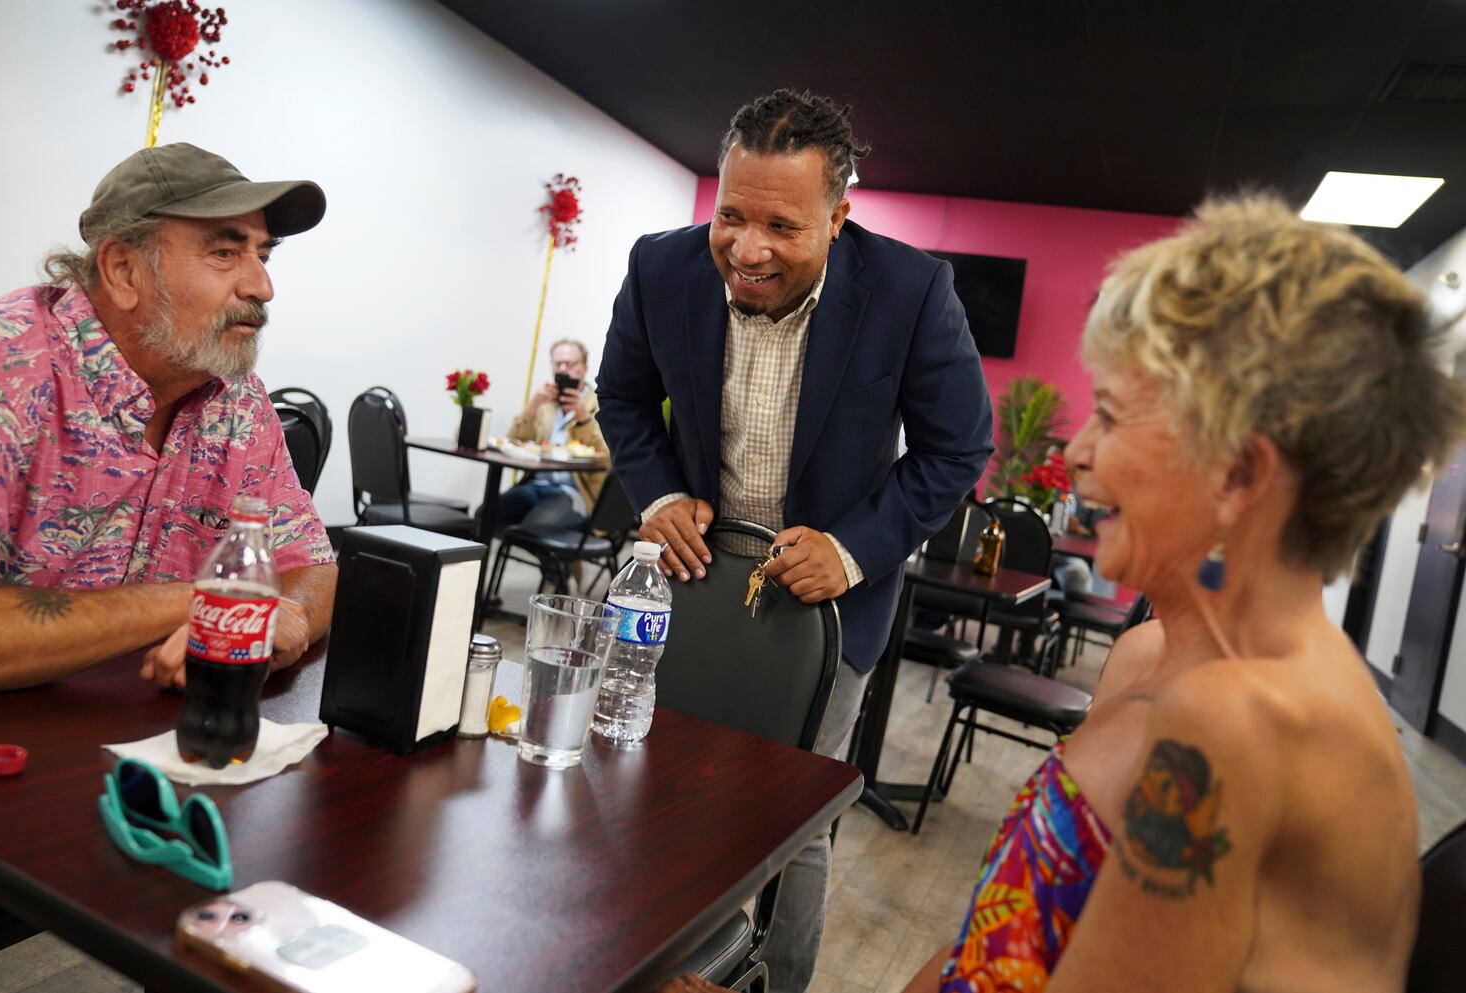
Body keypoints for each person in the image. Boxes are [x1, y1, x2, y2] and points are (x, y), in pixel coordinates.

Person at [668, 193, 1466, 993]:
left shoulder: (1243, 724)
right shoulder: (1149, 654)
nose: (1079, 452)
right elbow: (994, 941)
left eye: (1112, 417)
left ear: (1241, 471)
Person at [0, 142, 338, 993]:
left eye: (263, 255)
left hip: (117, 747)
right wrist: (202, 597)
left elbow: (312, 566)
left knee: (313, 851)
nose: (262, 286)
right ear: (122, 267)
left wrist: (284, 615)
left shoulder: (233, 400)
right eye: (225, 249)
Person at [598, 89, 994, 993]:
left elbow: (958, 445)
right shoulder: (660, 268)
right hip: (691, 582)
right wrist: (659, 491)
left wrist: (853, 549)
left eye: (782, 225)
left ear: (839, 217)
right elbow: (621, 397)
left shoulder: (910, 290)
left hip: (828, 607)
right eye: (730, 215)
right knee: (638, 778)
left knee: (790, 820)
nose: (747, 248)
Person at [493, 337, 609, 532]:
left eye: (570, 364)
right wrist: (533, 405)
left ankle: (563, 561)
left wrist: (583, 419)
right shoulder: (545, 402)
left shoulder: (598, 404)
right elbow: (513, 440)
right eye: (558, 364)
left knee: (535, 529)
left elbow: (606, 458)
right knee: (486, 515)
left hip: (575, 490)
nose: (563, 369)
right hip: (536, 484)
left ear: (584, 367)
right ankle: (560, 559)